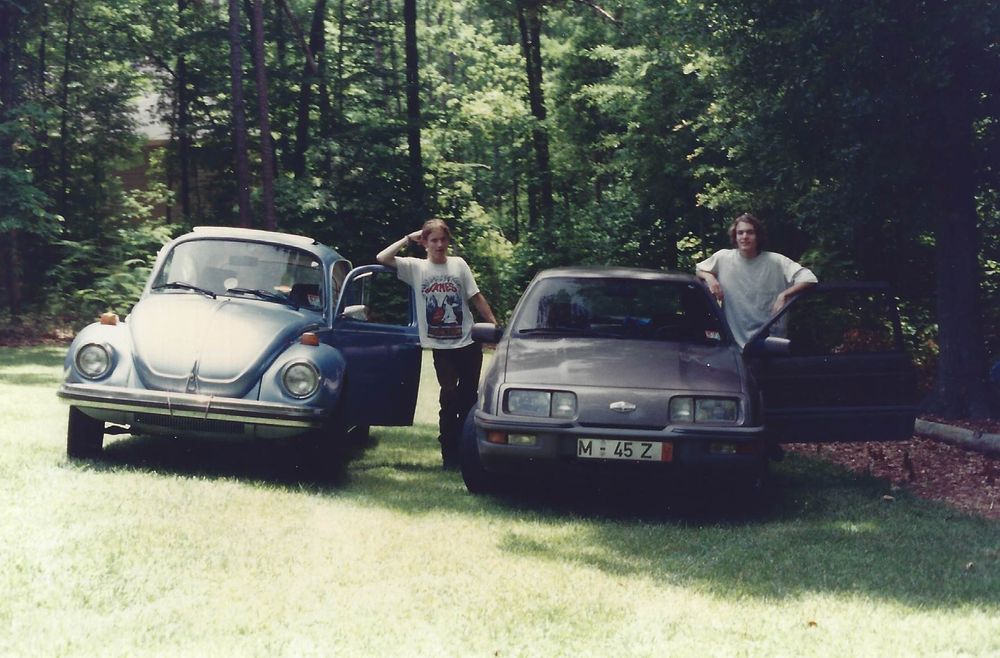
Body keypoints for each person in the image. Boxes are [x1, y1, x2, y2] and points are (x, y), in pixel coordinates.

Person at [377, 219, 498, 468]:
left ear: (448, 241)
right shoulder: (416, 268)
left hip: (467, 343)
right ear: (425, 243)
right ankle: (449, 455)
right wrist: (407, 238)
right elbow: (382, 257)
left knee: (468, 399)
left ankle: (467, 453)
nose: (439, 244)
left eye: (443, 239)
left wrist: (494, 327)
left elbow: (476, 298)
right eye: (433, 240)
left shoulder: (458, 265)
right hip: (441, 348)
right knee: (448, 398)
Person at [696, 213, 817, 348]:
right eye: (740, 233)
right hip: (734, 344)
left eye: (750, 232)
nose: (745, 237)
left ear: (758, 236)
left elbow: (809, 278)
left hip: (769, 342)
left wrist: (784, 295)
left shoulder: (776, 261)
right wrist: (710, 277)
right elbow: (699, 269)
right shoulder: (723, 258)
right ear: (735, 237)